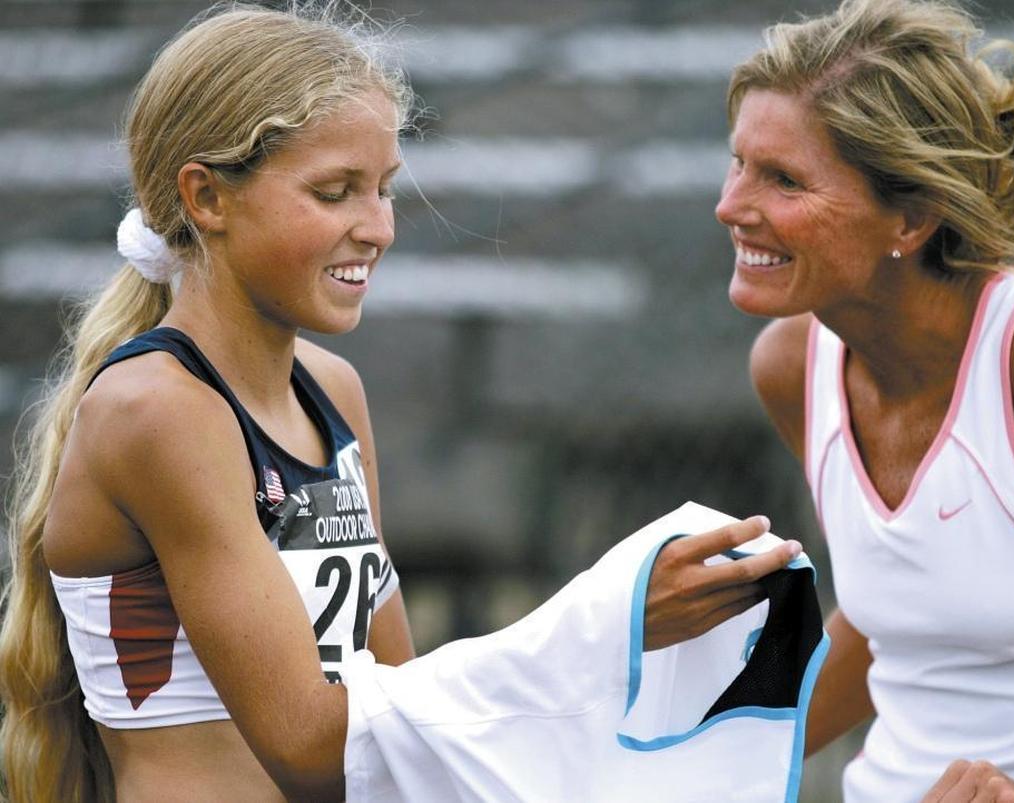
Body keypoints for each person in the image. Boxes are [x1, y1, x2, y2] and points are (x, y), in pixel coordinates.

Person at [0, 5, 809, 802]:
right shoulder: (160, 410)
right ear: (207, 198)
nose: (378, 226)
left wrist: (627, 646)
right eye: (334, 191)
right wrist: (602, 630)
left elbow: (397, 706)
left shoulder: (331, 390)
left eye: (382, 189)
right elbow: (314, 746)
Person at [716, 0, 1014, 800]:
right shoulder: (789, 364)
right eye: (739, 162)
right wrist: (697, 753)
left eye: (782, 179)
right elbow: (893, 621)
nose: (732, 205)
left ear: (909, 217)